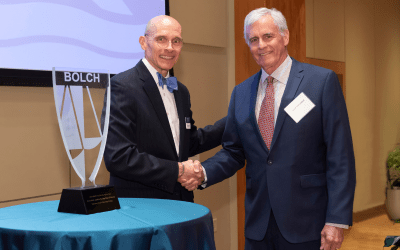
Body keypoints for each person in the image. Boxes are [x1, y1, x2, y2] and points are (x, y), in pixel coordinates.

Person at [187, 7, 356, 250]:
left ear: (285, 37)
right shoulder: (241, 92)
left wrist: (337, 220)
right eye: (253, 40)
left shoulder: (320, 82)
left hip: (308, 223)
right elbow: (233, 151)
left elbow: (340, 156)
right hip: (259, 225)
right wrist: (203, 171)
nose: (261, 45)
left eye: (268, 36)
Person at [101, 15, 225, 202]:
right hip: (141, 207)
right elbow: (118, 157)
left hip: (181, 203)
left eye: (176, 41)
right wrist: (179, 170)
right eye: (161, 39)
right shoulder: (122, 86)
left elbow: (188, 143)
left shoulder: (181, 91)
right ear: (144, 42)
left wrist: (233, 120)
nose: (170, 48)